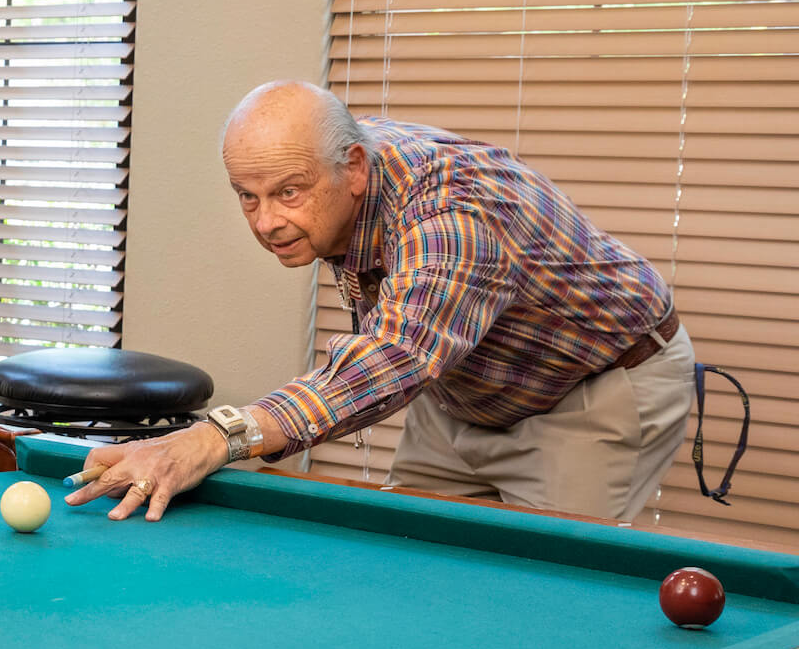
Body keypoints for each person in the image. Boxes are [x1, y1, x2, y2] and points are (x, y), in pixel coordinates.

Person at [70, 80, 693, 524]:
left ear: (356, 169)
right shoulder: (334, 161)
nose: (267, 222)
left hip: (589, 392)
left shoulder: (457, 208)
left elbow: (399, 352)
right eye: (248, 196)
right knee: (409, 569)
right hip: (462, 391)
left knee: (544, 603)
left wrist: (213, 438)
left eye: (289, 192)